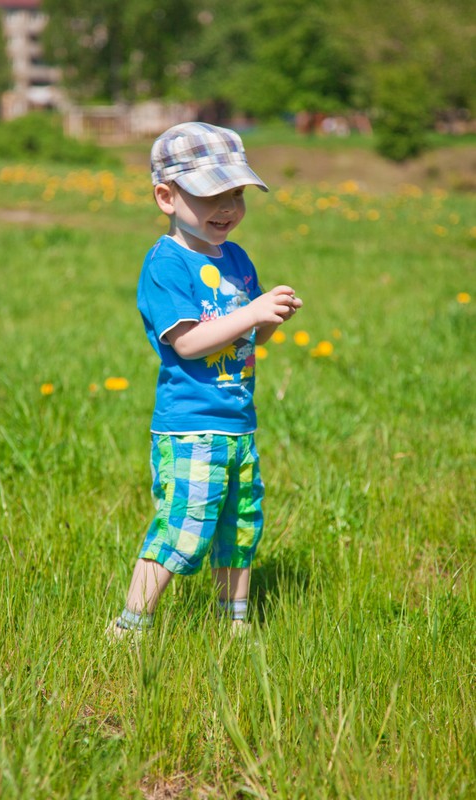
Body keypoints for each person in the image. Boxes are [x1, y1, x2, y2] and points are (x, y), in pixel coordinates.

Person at [108, 122, 302, 638]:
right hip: (190, 426)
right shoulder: (166, 263)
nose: (227, 208)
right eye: (211, 195)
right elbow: (189, 343)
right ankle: (130, 626)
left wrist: (268, 318)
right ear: (166, 197)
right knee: (183, 525)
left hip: (238, 423)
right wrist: (251, 312)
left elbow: (246, 338)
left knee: (240, 525)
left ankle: (233, 624)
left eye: (236, 194)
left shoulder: (236, 259)